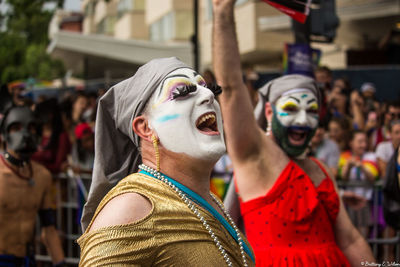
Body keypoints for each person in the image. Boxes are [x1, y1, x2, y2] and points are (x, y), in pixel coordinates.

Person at [212, 0, 375, 265]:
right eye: (291, 108)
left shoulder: (322, 171)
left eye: (312, 111)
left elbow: (351, 240)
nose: (303, 119)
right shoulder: (255, 158)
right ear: (268, 113)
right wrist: (222, 12)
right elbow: (230, 87)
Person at [78, 57, 254, 266]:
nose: (208, 95)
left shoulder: (209, 200)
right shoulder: (130, 209)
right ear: (145, 127)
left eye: (209, 89)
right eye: (182, 92)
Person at [0, 105, 65, 266]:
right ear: (5, 133)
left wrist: (60, 263)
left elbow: (49, 229)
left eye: (31, 127)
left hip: (26, 260)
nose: (24, 133)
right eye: (16, 128)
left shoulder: (42, 176)